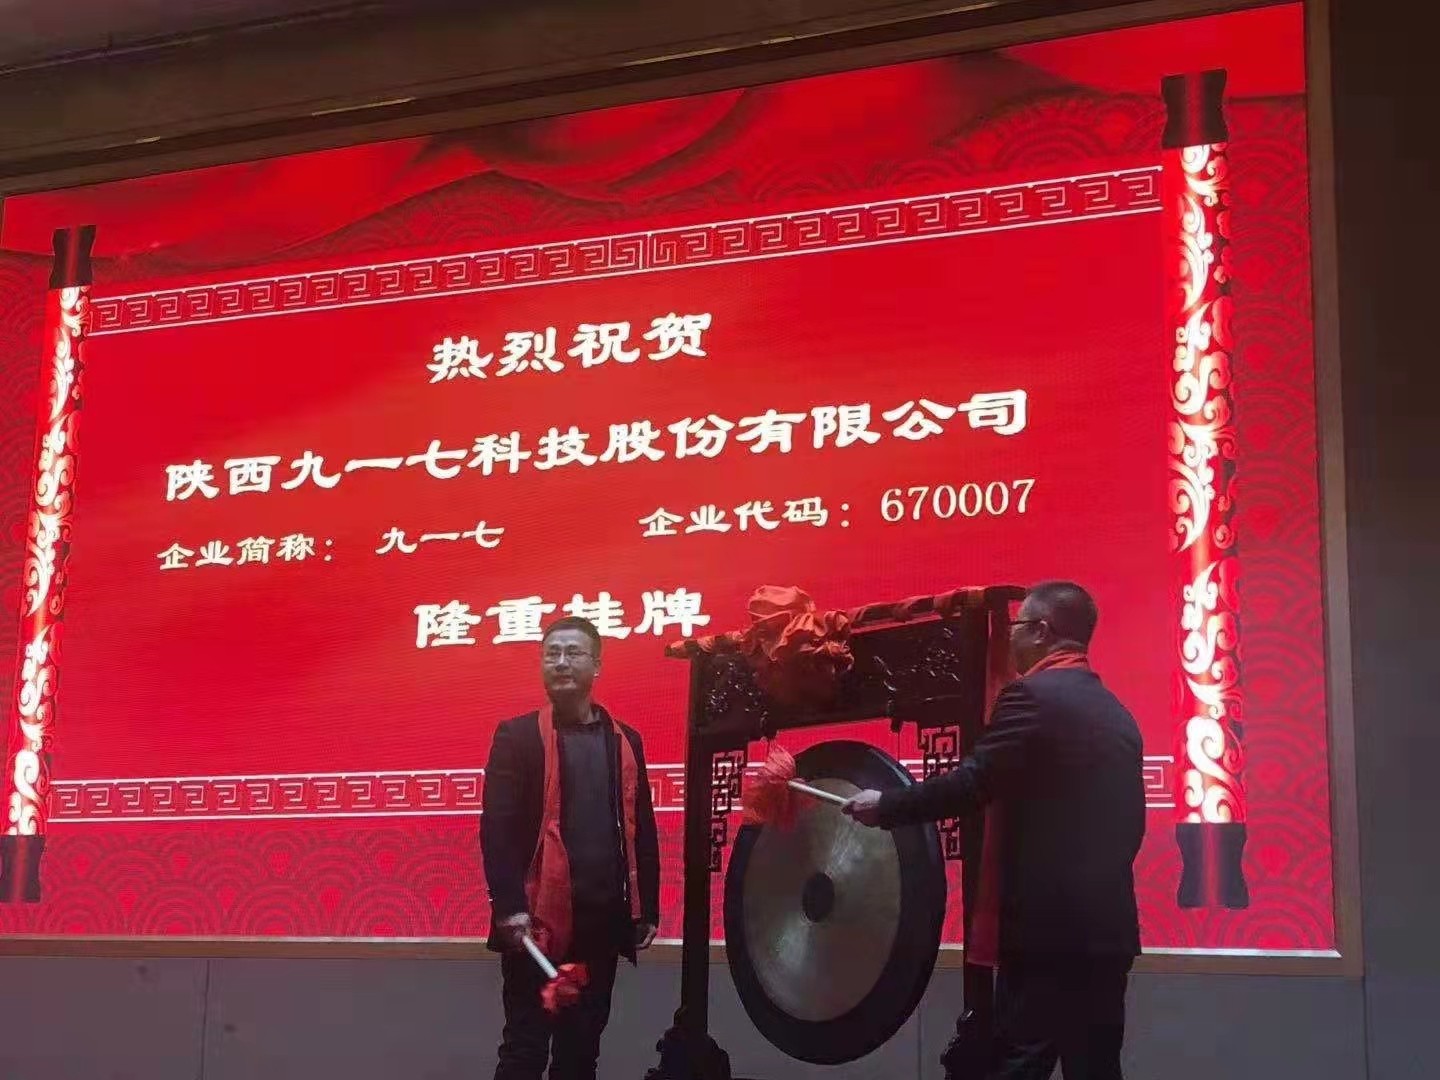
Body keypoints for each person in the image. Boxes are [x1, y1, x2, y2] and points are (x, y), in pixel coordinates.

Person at [843, 581, 1145, 1080]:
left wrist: (887, 805)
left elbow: (974, 782)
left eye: (1016, 628)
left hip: (1048, 936)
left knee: (1019, 1063)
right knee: (1095, 1068)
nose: (1010, 640)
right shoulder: (1117, 713)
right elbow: (1132, 827)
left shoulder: (1031, 697)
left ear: (1042, 630)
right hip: (1108, 933)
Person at [481, 615, 661, 1080]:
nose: (561, 662)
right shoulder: (517, 736)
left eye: (573, 653)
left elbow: (641, 827)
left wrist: (647, 909)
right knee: (523, 1052)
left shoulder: (626, 741)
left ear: (596, 665)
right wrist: (510, 908)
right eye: (551, 654)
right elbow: (497, 829)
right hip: (536, 923)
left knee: (580, 1056)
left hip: (601, 922)